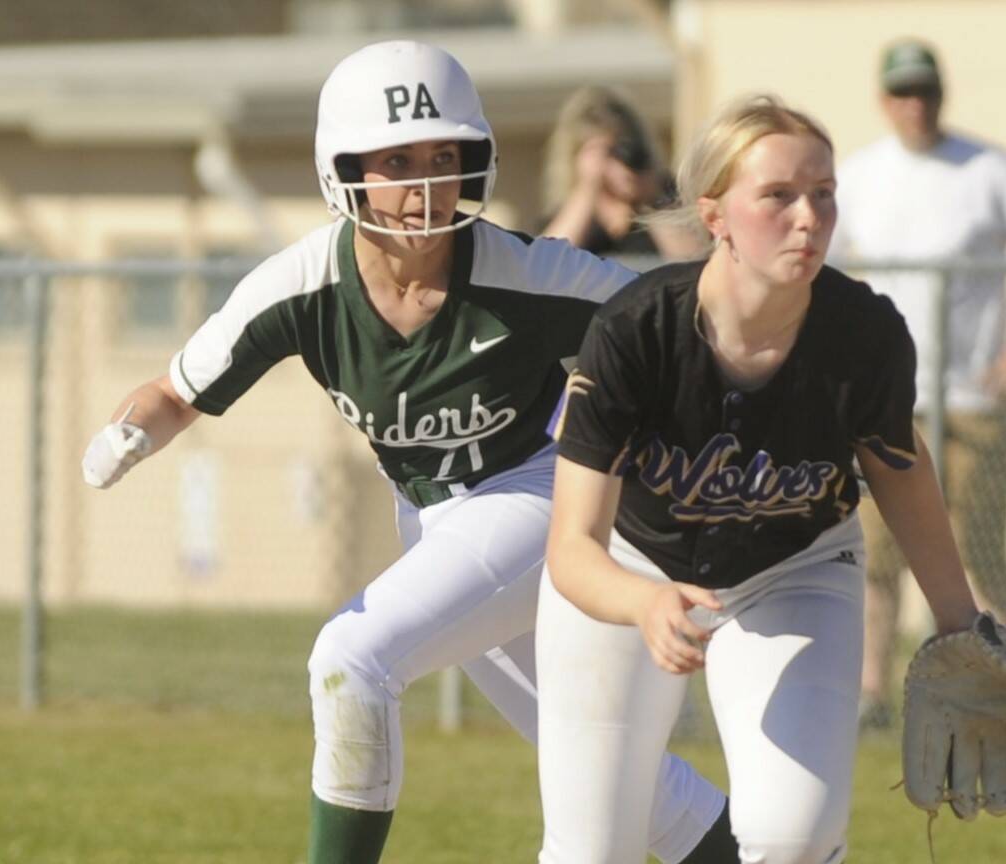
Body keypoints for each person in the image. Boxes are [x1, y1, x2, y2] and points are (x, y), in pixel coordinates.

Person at [80, 40, 736, 864]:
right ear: (340, 168)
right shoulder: (301, 286)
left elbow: (678, 327)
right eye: (396, 160)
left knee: (351, 659)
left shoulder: (527, 276)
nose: (425, 182)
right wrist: (129, 434)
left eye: (443, 156)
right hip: (434, 520)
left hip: (538, 497)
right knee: (606, 775)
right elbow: (177, 390)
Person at [535, 94, 980, 864]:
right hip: (632, 567)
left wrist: (959, 626)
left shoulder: (864, 333)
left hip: (795, 568)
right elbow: (572, 548)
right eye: (777, 195)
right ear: (715, 216)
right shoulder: (635, 331)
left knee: (792, 837)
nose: (808, 217)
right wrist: (644, 601)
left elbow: (900, 473)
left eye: (824, 193)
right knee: (588, 853)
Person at [828, 38, 1006, 730]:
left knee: (981, 550)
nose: (917, 105)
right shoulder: (862, 175)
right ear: (884, 100)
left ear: (943, 94)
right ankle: (873, 696)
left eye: (927, 90)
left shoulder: (988, 169)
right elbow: (824, 269)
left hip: (971, 400)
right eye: (903, 92)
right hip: (888, 406)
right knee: (874, 556)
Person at [540, 85, 701, 260]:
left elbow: (693, 263)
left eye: (620, 149)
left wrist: (652, 199)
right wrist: (588, 189)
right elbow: (547, 262)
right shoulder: (568, 213)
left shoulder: (667, 197)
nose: (617, 164)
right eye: (604, 152)